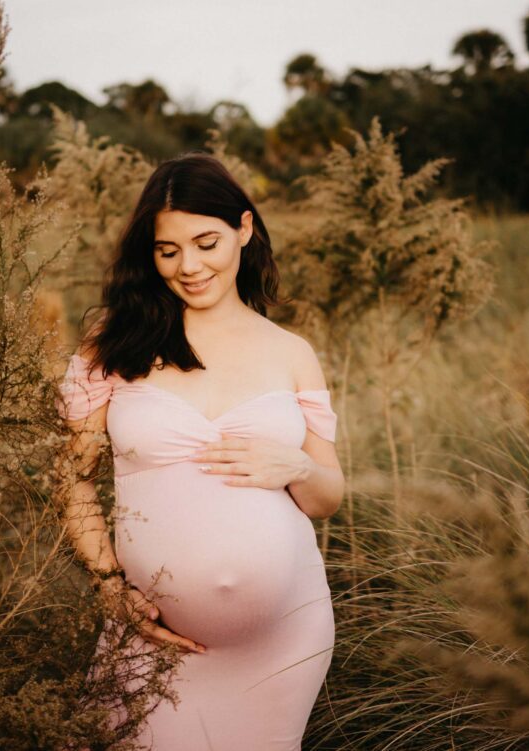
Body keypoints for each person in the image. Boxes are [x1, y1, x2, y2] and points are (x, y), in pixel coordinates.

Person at [56, 152, 344, 750]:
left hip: (285, 639)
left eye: (206, 243)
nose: (189, 266)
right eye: (168, 251)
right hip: (151, 638)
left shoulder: (292, 352)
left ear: (244, 228)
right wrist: (109, 584)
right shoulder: (114, 344)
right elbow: (72, 478)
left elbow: (326, 498)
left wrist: (295, 465)